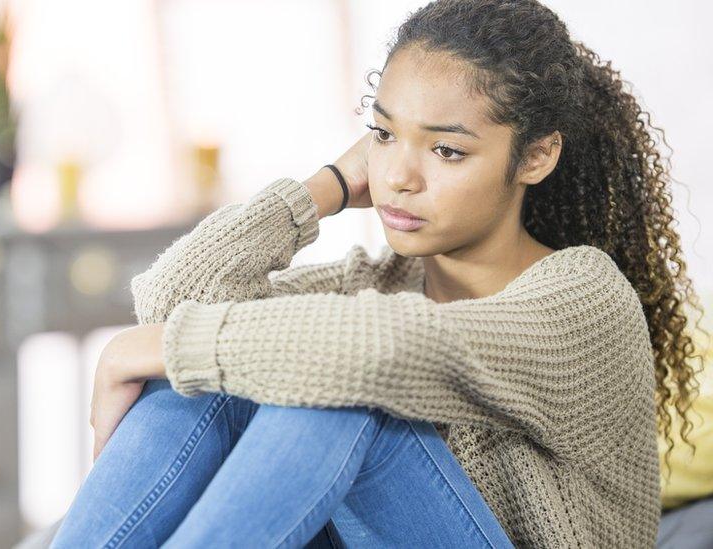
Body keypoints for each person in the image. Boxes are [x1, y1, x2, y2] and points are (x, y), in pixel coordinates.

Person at [50, 0, 709, 546]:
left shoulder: (583, 296)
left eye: (446, 149)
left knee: (334, 389)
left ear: (536, 156)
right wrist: (326, 186)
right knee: (200, 385)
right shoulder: (380, 282)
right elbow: (170, 299)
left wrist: (150, 349)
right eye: (385, 136)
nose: (399, 175)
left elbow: (384, 348)